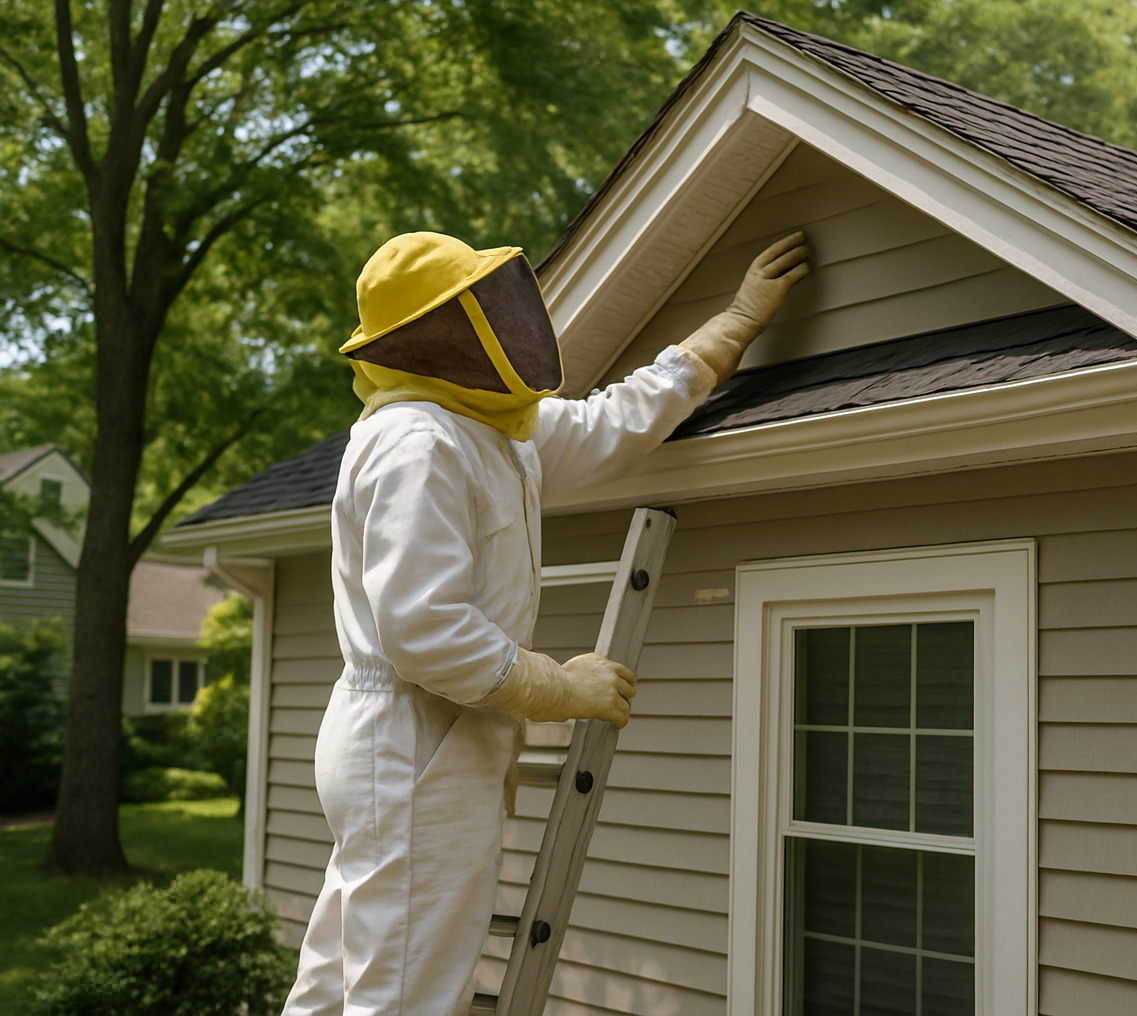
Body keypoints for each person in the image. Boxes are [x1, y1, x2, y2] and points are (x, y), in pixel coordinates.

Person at [282, 230, 810, 1015]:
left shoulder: (489, 431)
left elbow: (611, 423)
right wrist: (562, 688)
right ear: (434, 336)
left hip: (414, 743)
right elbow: (424, 631)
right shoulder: (419, 441)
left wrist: (731, 325)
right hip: (417, 742)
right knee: (407, 997)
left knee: (342, 982)